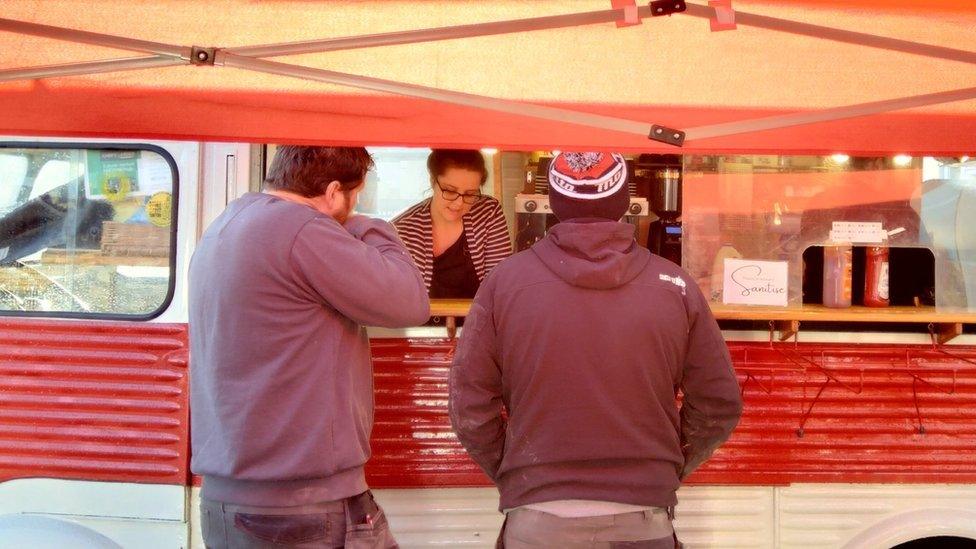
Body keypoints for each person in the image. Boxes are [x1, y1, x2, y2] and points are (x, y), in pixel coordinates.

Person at [448, 152, 743, 548]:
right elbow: (718, 403)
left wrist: (517, 470)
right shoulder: (675, 285)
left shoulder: (504, 283)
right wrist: (665, 466)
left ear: (554, 200)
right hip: (644, 518)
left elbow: (468, 406)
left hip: (537, 519)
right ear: (623, 202)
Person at [189, 145, 429, 549]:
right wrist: (367, 226)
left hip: (231, 501)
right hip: (301, 506)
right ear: (334, 192)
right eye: (356, 196)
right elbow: (409, 300)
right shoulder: (303, 230)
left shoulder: (227, 223)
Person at [393, 149, 511, 299]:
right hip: (418, 322)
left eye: (469, 194)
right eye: (449, 191)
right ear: (433, 181)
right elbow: (398, 299)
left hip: (477, 320)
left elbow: (500, 285)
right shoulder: (403, 229)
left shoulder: (488, 212)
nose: (458, 203)